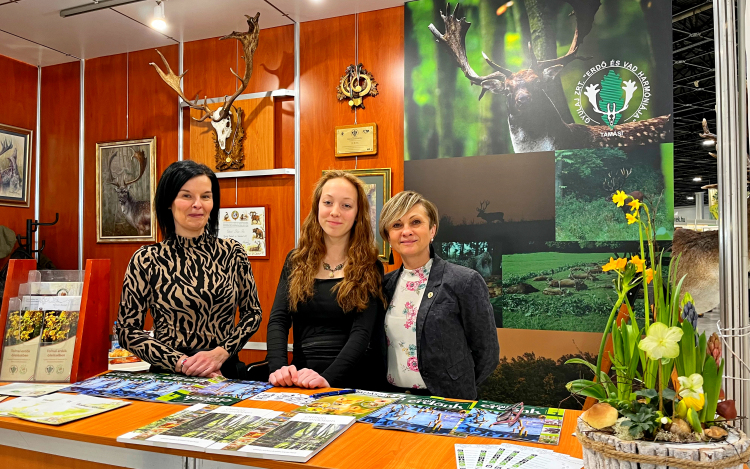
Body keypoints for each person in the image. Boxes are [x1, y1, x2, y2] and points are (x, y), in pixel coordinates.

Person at [117, 161, 263, 379]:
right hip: (170, 376)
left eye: (205, 196)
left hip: (224, 372)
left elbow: (252, 313)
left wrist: (221, 353)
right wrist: (182, 362)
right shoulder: (147, 259)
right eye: (187, 196)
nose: (198, 204)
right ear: (168, 202)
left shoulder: (233, 253)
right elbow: (127, 330)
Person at [266, 170, 384, 389]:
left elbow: (362, 333)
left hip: (351, 381)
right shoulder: (295, 261)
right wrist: (278, 368)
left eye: (346, 205)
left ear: (358, 213)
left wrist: (327, 379)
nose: (335, 212)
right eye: (328, 202)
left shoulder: (370, 266)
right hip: (301, 379)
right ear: (317, 207)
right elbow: (278, 320)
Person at [378, 191, 499, 400]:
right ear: (388, 236)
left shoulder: (464, 281)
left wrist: (457, 386)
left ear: (432, 229)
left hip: (448, 403)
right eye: (397, 225)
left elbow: (487, 353)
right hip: (393, 402)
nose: (406, 231)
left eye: (415, 222)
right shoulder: (383, 286)